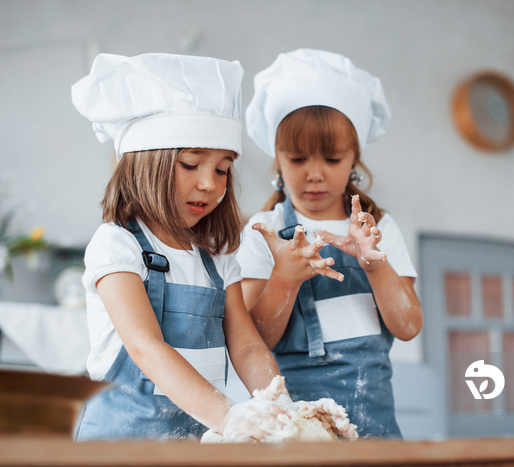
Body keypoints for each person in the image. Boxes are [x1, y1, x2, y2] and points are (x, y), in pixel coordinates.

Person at [71, 53, 287, 441]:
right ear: (145, 164)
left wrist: (281, 410)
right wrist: (230, 417)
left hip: (191, 447)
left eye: (222, 169)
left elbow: (247, 347)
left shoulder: (218, 259)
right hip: (116, 451)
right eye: (191, 164)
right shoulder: (117, 245)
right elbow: (146, 348)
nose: (210, 183)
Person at [237, 48, 423, 438]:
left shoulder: (379, 228)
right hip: (295, 430)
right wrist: (284, 280)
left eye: (333, 159)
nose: (315, 174)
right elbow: (252, 340)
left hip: (375, 428)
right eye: (299, 158)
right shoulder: (264, 231)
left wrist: (375, 263)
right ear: (278, 158)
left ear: (354, 157)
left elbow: (408, 325)